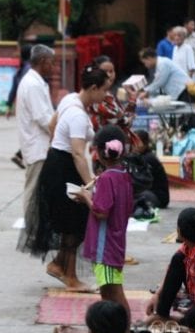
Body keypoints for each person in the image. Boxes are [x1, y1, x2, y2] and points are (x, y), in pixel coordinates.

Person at [26, 66, 111, 292]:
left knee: (73, 221)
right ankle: (71, 277)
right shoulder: (77, 115)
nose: (105, 96)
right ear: (93, 88)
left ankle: (59, 266)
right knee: (74, 223)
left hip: (58, 162)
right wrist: (91, 184)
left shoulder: (70, 99)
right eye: (103, 90)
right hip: (65, 166)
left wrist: (57, 145)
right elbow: (77, 153)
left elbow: (53, 124)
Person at [74, 127, 135, 314]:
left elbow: (101, 212)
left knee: (112, 293)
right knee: (110, 293)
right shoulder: (122, 175)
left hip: (105, 247)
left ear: (100, 153)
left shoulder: (107, 178)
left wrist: (85, 197)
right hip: (116, 242)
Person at [15, 44, 56, 230]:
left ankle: (38, 228)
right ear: (42, 62)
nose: (53, 67)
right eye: (51, 63)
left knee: (40, 189)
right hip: (36, 145)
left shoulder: (37, 82)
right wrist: (59, 133)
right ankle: (32, 231)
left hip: (40, 144)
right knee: (33, 189)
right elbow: (43, 118)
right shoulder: (32, 84)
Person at [6, 43, 34, 169]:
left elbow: (14, 87)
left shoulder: (22, 69)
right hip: (30, 107)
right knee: (34, 133)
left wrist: (8, 105)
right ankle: (22, 155)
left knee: (30, 133)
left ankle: (21, 155)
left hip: (22, 107)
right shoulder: (30, 70)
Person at [133, 129, 170, 209]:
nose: (134, 145)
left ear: (145, 144)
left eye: (137, 142)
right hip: (150, 193)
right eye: (133, 142)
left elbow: (141, 181)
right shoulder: (139, 157)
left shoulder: (148, 158)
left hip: (158, 197)